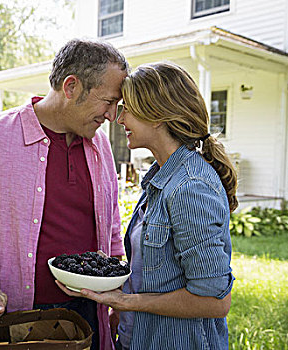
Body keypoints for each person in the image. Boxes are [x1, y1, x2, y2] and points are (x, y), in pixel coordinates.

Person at [0, 39, 129, 350]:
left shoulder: (101, 147)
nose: (112, 116)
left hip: (85, 315)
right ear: (71, 87)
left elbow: (110, 230)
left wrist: (113, 302)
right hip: (6, 318)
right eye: (108, 102)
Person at [57, 61, 238, 349]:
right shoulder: (161, 178)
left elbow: (214, 301)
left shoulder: (189, 188)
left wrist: (126, 301)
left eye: (127, 107)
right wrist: (120, 302)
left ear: (157, 115)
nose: (118, 118)